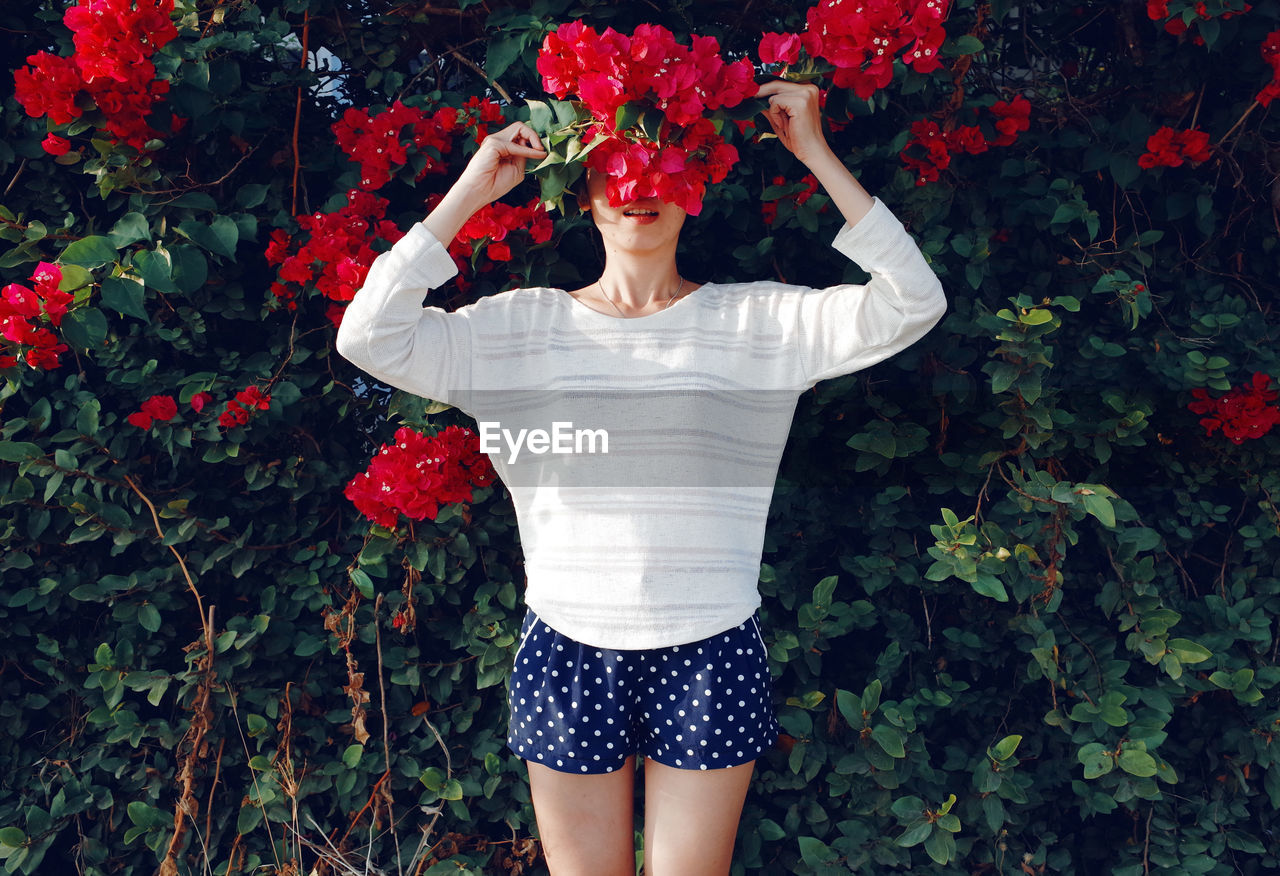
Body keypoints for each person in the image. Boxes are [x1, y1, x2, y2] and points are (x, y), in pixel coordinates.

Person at [336, 79, 947, 876]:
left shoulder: (761, 324)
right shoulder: (519, 329)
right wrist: (469, 192)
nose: (640, 192)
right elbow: (368, 338)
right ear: (582, 189)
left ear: (695, 190)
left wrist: (816, 154)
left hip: (712, 642)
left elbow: (913, 303)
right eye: (618, 169)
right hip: (566, 640)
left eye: (665, 171)